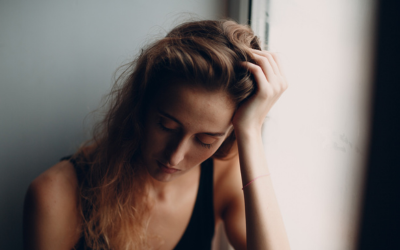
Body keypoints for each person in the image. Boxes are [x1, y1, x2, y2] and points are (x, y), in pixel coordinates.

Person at [23, 19, 290, 250]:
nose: (176, 155)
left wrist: (251, 131)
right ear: (141, 104)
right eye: (167, 126)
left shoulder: (221, 176)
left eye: (206, 140)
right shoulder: (56, 196)